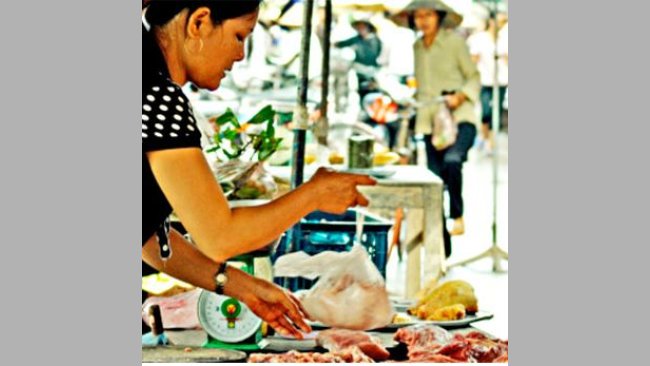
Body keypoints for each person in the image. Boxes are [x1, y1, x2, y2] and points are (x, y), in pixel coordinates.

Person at [142, 0, 375, 339]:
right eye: (239, 36)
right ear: (199, 22)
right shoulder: (156, 94)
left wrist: (242, 287)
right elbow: (220, 236)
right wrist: (313, 194)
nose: (240, 55)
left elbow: (149, 238)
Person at [409, 0, 481, 236]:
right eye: (418, 16)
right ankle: (441, 246)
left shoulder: (454, 43)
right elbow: (421, 87)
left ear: (439, 16)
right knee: (433, 182)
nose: (423, 20)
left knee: (452, 161)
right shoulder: (417, 47)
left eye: (428, 14)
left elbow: (473, 77)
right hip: (429, 122)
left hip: (460, 118)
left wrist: (461, 96)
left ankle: (457, 214)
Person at [467, 12, 508, 154]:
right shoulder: (479, 39)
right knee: (486, 112)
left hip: (501, 80)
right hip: (484, 80)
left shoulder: (505, 38)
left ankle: (490, 141)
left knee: (496, 113)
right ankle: (485, 138)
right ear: (491, 21)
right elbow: (473, 60)